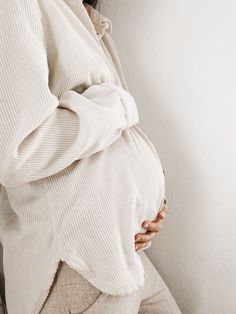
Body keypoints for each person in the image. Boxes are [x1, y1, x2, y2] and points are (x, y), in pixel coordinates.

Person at [0, 0, 182, 313]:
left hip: (121, 251)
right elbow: (18, 151)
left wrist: (144, 206)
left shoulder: (78, 14)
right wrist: (117, 106)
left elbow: (106, 145)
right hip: (78, 261)